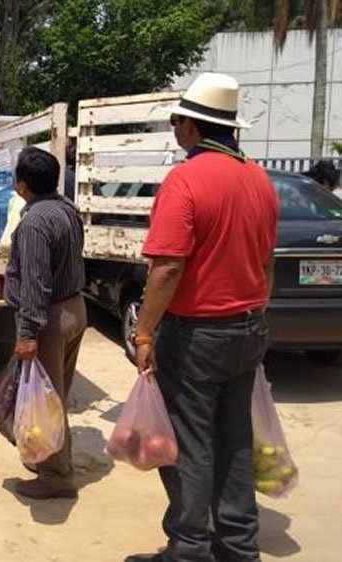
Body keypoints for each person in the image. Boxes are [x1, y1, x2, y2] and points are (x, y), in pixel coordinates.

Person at [126, 73, 279, 562]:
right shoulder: (259, 178)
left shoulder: (186, 180)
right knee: (234, 438)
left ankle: (189, 547)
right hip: (248, 326)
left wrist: (144, 331)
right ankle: (238, 545)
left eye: (177, 120)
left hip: (198, 336)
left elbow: (168, 267)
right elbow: (267, 262)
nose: (175, 129)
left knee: (189, 443)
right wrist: (256, 316)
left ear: (192, 127)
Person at [3, 146, 87, 499]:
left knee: (45, 398)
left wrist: (27, 333)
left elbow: (35, 283)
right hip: (74, 309)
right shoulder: (67, 209)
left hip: (49, 318)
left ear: (22, 185)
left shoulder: (35, 222)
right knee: (54, 394)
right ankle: (46, 453)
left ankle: (55, 476)